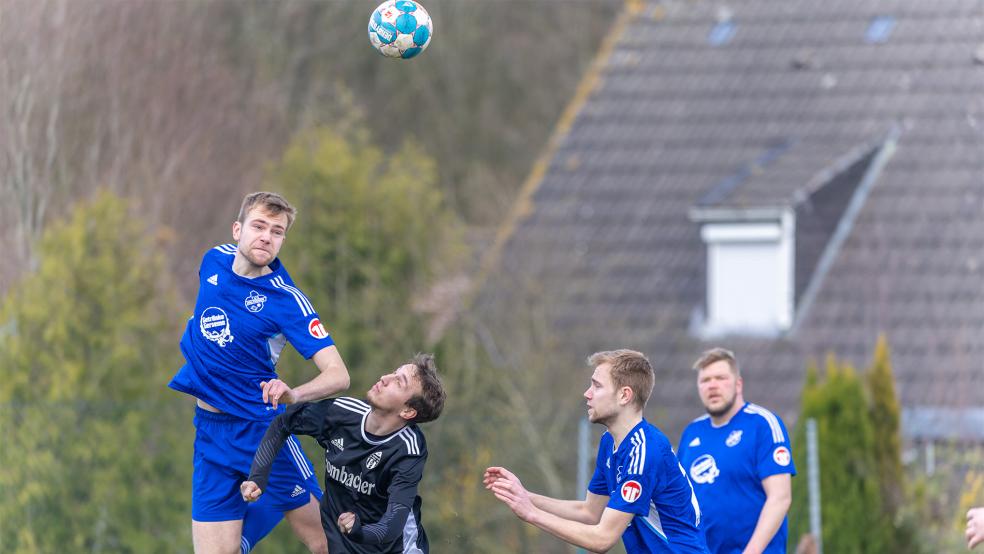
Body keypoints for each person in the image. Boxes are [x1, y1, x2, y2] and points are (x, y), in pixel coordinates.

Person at [168, 191, 351, 554]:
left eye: (277, 231)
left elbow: (338, 375)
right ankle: (266, 501)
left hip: (260, 434)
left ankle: (270, 494)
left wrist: (294, 394)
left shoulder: (286, 301)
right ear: (238, 229)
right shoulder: (213, 260)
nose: (267, 236)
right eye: (259, 226)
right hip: (209, 434)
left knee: (326, 542)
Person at [485, 349, 708, 553]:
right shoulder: (610, 443)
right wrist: (526, 496)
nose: (587, 393)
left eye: (597, 386)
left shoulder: (645, 452)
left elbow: (602, 540)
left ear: (624, 395)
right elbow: (589, 513)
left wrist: (532, 514)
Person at [240, 353, 446, 554]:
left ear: (407, 412)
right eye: (393, 372)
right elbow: (283, 423)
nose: (385, 378)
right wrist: (258, 476)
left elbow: (392, 524)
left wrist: (359, 532)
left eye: (398, 382)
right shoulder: (341, 414)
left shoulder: (408, 451)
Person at [676, 348, 795, 554]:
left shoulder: (763, 424)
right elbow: (682, 502)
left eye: (720, 378)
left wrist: (751, 551)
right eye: (705, 380)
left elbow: (780, 497)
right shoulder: (691, 432)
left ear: (738, 384)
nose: (712, 385)